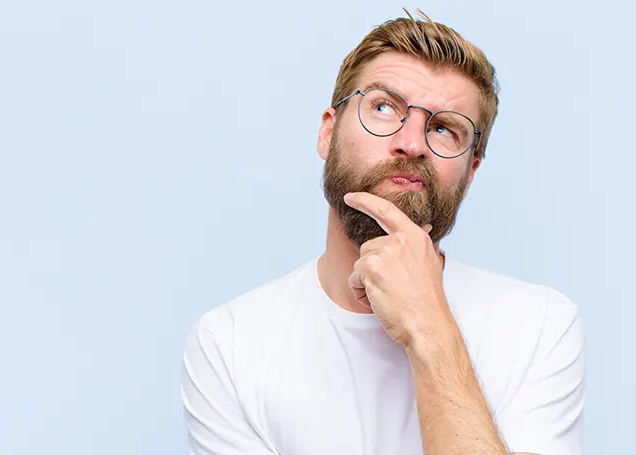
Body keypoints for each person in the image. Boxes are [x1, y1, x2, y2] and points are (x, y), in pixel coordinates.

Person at [180, 9, 585, 455]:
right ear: (327, 134)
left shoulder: (540, 326)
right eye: (383, 107)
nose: (411, 143)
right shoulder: (230, 344)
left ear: (469, 174)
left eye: (444, 128)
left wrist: (428, 327)